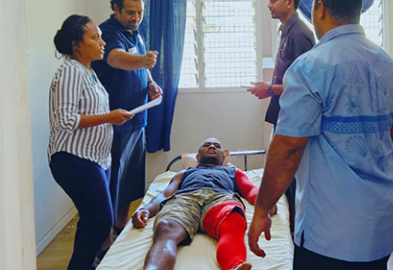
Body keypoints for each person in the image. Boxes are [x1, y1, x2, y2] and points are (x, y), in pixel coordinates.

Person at [248, 0, 393, 269]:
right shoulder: (389, 66)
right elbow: (390, 133)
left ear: (319, 7)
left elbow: (288, 148)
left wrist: (262, 209)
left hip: (333, 233)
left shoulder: (309, 68)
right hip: (382, 223)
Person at [48, 15, 133, 270]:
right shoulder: (70, 71)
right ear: (77, 44)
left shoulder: (89, 72)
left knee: (91, 223)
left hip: (94, 159)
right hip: (74, 157)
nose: (102, 42)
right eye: (94, 37)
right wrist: (110, 117)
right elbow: (64, 120)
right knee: (99, 221)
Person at [131, 138, 276, 270]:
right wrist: (146, 210)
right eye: (207, 145)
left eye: (217, 146)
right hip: (185, 199)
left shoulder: (233, 171)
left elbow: (250, 190)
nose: (212, 146)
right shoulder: (184, 172)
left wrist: (265, 204)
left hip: (220, 198)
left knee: (234, 218)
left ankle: (234, 266)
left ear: (223, 157)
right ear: (198, 156)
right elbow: (164, 195)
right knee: (166, 228)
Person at [91, 0, 163, 245]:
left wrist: (150, 82)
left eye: (140, 12)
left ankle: (120, 227)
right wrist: (143, 62)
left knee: (130, 182)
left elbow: (141, 63)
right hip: (116, 123)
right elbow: (115, 58)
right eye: (131, 12)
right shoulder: (109, 31)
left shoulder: (135, 30)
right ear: (115, 8)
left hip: (138, 118)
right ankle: (104, 242)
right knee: (112, 184)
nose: (136, 17)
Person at [246, 0, 315, 232]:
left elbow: (304, 86)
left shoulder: (300, 34)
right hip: (284, 115)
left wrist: (269, 89)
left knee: (292, 180)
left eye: (274, 0)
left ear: (288, 2)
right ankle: (287, 228)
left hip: (295, 120)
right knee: (285, 181)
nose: (268, 5)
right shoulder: (287, 30)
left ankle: (296, 234)